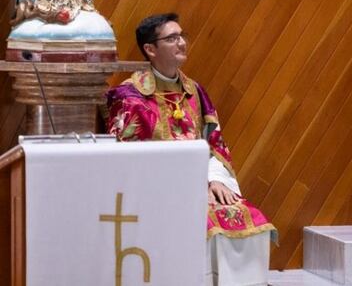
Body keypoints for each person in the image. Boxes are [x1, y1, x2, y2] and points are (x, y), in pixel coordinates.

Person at [105, 14, 275, 285]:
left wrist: (215, 180)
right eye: (172, 38)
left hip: (201, 184)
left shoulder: (194, 92)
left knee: (243, 215)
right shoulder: (130, 97)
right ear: (150, 49)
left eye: (182, 36)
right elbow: (123, 159)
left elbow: (215, 143)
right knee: (206, 223)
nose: (182, 43)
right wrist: (181, 184)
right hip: (155, 190)